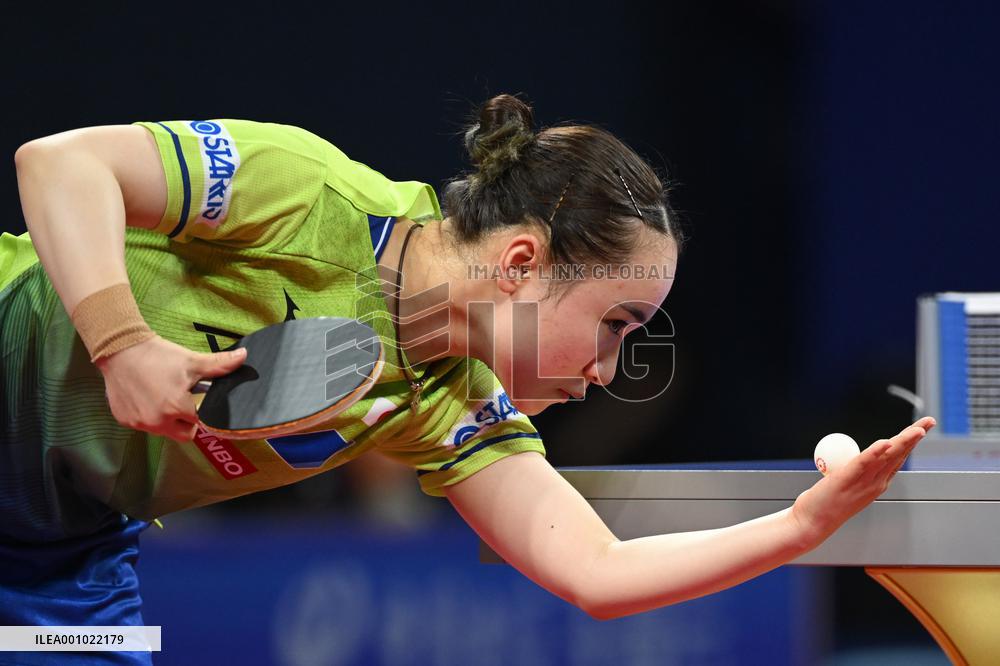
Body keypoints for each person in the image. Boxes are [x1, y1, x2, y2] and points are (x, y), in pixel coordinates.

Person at [1, 94, 934, 664]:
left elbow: (596, 572)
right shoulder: (311, 195)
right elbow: (62, 162)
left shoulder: (451, 400)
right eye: (614, 325)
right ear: (524, 262)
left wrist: (805, 526)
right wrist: (121, 344)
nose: (607, 371)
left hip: (62, 555)